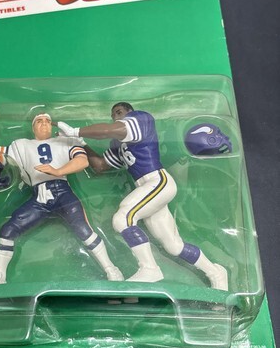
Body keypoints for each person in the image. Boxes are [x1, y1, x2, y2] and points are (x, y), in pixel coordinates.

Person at [57, 102, 228, 291]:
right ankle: (216, 272)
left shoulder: (140, 119)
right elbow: (100, 166)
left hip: (157, 181)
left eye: (119, 112)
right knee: (173, 246)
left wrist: (75, 131)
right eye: (113, 115)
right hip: (148, 188)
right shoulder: (119, 143)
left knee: (123, 218)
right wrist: (79, 143)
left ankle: (149, 268)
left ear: (130, 112)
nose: (116, 117)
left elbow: (109, 130)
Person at [0, 110, 124, 286]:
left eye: (47, 121)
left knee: (84, 230)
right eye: (39, 121)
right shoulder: (20, 145)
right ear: (33, 127)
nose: (44, 123)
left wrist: (58, 171)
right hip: (39, 196)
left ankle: (111, 269)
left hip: (62, 192)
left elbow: (82, 161)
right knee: (7, 231)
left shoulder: (65, 141)